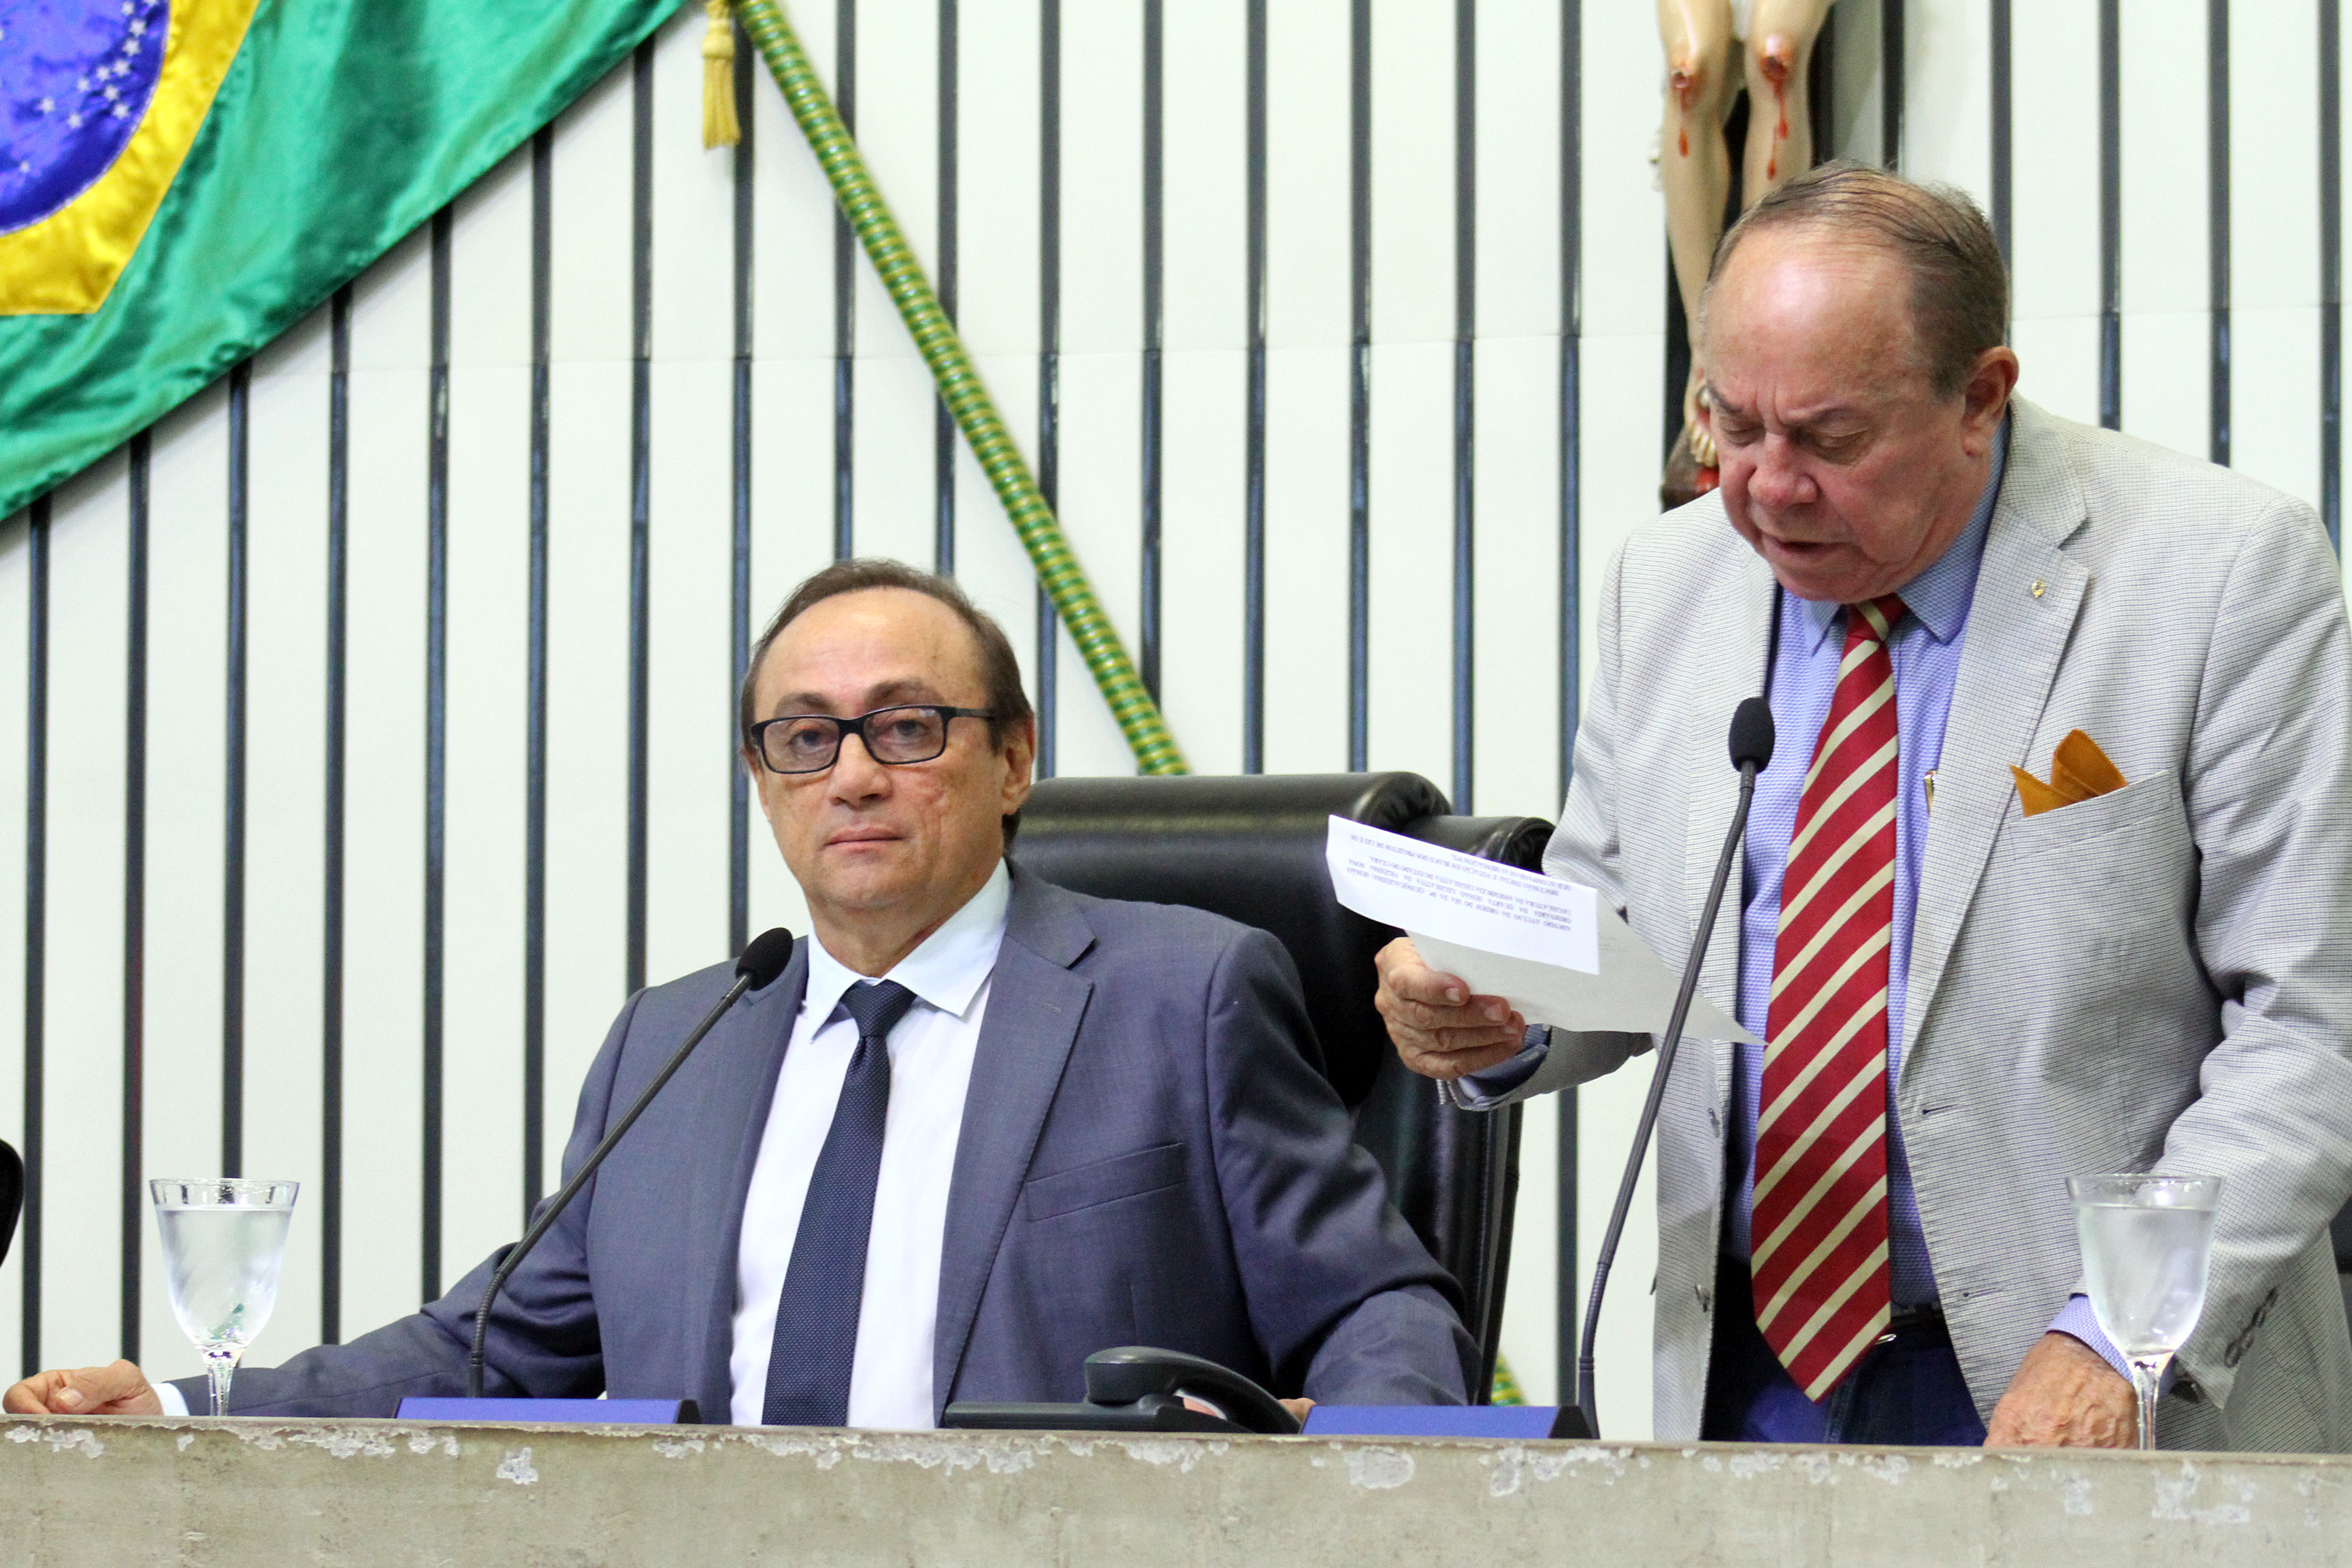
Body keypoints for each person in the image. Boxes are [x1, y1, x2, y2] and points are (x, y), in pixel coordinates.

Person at [10, 559, 1474, 1426]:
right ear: (762, 777)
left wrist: (1355, 1483)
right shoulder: (677, 1040)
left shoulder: (1184, 996)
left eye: (909, 727)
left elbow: (1378, 1308)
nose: (854, 775)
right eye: (803, 737)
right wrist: (193, 1409)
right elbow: (495, 1345)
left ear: (1014, 759)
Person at [1378, 161, 2352, 1451]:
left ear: (1981, 396)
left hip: (2097, 1379)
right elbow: (1622, 914)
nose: (1768, 486)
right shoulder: (1665, 582)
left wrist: (2119, 1332)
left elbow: (2313, 1023)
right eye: (1731, 423)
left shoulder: (2219, 572)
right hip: (1748, 1372)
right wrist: (1496, 1005)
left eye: (1831, 440)